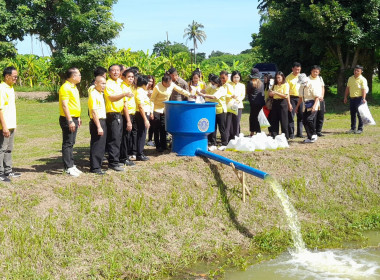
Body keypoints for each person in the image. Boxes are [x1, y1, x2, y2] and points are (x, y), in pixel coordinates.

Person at [150, 73, 192, 152]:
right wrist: (151, 112)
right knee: (157, 128)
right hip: (156, 109)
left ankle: (164, 145)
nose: (169, 85)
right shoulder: (157, 87)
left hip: (164, 108)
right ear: (163, 82)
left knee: (163, 127)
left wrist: (190, 95)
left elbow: (181, 90)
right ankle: (158, 145)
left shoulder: (171, 85)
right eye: (167, 84)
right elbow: (152, 100)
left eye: (170, 83)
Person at [104, 64, 132, 171]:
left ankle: (117, 160)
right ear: (109, 72)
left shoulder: (119, 83)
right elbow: (111, 98)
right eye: (113, 70)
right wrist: (124, 94)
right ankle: (113, 162)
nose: (116, 72)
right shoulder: (108, 83)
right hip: (112, 114)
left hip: (119, 113)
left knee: (118, 138)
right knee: (114, 139)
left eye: (117, 70)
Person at [58, 67, 82, 177]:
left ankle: (71, 164)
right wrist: (70, 120)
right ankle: (68, 167)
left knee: (72, 142)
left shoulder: (74, 87)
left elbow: (74, 104)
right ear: (73, 76)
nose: (80, 77)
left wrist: (78, 117)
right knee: (67, 143)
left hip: (74, 118)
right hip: (68, 119)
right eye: (79, 75)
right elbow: (65, 105)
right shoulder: (65, 87)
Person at [0, 66, 20, 182]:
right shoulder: (1, 88)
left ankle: (8, 170)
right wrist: (5, 127)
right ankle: (0, 173)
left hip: (11, 125)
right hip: (4, 126)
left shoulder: (10, 88)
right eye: (14, 77)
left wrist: (13, 125)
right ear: (7, 76)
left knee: (9, 148)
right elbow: (0, 109)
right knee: (2, 149)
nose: (16, 79)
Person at [198, 74, 228, 151]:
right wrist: (198, 91)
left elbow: (213, 97)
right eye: (211, 83)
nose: (212, 85)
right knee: (212, 127)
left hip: (220, 110)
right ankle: (212, 143)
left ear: (217, 82)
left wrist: (203, 94)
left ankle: (224, 143)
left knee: (222, 127)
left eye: (213, 83)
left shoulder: (222, 89)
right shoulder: (211, 87)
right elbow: (205, 90)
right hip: (212, 110)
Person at [88, 76, 108, 174]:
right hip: (97, 121)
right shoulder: (93, 94)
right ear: (96, 83)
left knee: (101, 145)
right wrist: (99, 126)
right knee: (97, 145)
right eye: (102, 83)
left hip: (102, 121)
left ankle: (98, 166)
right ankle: (95, 168)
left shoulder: (100, 93)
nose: (104, 85)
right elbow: (94, 111)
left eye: (105, 83)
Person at [295, 73, 321, 143]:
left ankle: (314, 134)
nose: (303, 84)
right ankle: (309, 137)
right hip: (305, 106)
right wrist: (297, 107)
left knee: (309, 119)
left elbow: (317, 97)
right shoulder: (301, 87)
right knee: (304, 121)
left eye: (304, 82)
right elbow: (300, 98)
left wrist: (314, 106)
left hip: (313, 105)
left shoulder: (312, 85)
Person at [344, 65, 368, 134]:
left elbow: (364, 89)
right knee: (352, 114)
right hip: (352, 98)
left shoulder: (363, 79)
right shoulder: (350, 78)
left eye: (358, 71)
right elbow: (347, 88)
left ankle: (360, 129)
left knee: (359, 114)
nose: (356, 72)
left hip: (359, 98)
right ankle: (352, 128)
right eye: (355, 70)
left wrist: (363, 98)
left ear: (361, 72)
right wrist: (345, 97)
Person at [120, 69, 136, 166]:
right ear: (124, 77)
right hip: (126, 115)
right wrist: (128, 121)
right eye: (129, 77)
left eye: (132, 77)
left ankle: (125, 156)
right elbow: (124, 105)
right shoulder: (124, 88)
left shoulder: (128, 87)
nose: (131, 79)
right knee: (125, 137)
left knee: (128, 137)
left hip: (131, 114)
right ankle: (123, 158)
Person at [135, 75, 152, 160]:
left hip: (144, 113)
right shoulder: (140, 92)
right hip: (142, 114)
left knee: (143, 133)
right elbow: (140, 106)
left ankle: (140, 152)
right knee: (142, 134)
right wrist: (145, 119)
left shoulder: (142, 91)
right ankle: (139, 153)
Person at [269, 71, 290, 139]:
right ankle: (275, 136)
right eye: (276, 78)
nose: (278, 79)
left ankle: (285, 136)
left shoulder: (285, 84)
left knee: (283, 120)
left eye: (279, 77)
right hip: (275, 102)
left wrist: (276, 93)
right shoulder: (274, 85)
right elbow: (270, 94)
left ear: (282, 77)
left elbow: (285, 96)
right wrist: (271, 93)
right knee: (274, 120)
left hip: (282, 103)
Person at [226, 70, 246, 140]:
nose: (236, 79)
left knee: (237, 122)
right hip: (230, 105)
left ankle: (236, 137)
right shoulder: (228, 85)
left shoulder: (242, 85)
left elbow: (243, 95)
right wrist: (231, 96)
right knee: (229, 122)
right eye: (235, 77)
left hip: (238, 105)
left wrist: (237, 100)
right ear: (232, 77)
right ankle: (229, 138)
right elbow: (225, 94)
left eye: (238, 77)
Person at [286, 62, 303, 138]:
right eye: (296, 69)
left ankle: (300, 133)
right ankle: (291, 133)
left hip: (301, 98)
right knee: (291, 116)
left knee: (301, 116)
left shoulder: (302, 77)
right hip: (292, 98)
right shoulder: (288, 78)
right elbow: (286, 91)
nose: (297, 71)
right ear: (292, 69)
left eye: (299, 69)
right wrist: (288, 102)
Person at [246, 68, 264, 136]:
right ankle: (258, 131)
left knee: (253, 117)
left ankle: (252, 131)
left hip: (253, 103)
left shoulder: (251, 83)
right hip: (260, 102)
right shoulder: (261, 83)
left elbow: (248, 92)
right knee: (258, 117)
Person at [309, 66, 325, 137]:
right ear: (311, 71)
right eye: (314, 71)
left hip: (320, 99)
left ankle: (319, 131)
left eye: (317, 72)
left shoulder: (320, 78)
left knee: (320, 115)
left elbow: (322, 87)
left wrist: (322, 96)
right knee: (313, 116)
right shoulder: (308, 79)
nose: (315, 73)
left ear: (319, 72)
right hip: (312, 100)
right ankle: (313, 131)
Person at [146, 75, 156, 147]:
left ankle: (150, 139)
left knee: (152, 125)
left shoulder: (154, 89)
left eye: (152, 81)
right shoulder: (143, 89)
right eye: (149, 81)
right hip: (145, 108)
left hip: (152, 108)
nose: (150, 83)